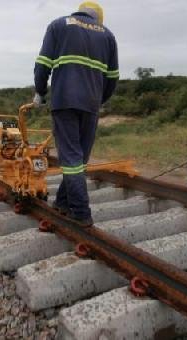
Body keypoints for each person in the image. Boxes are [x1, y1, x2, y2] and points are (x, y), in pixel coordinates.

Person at [33, 1, 118, 227]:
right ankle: (62, 202)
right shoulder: (108, 35)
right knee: (78, 159)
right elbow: (113, 78)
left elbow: (42, 65)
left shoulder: (58, 26)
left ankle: (81, 212)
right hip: (91, 104)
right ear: (97, 19)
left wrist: (40, 92)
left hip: (64, 101)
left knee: (71, 160)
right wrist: (99, 99)